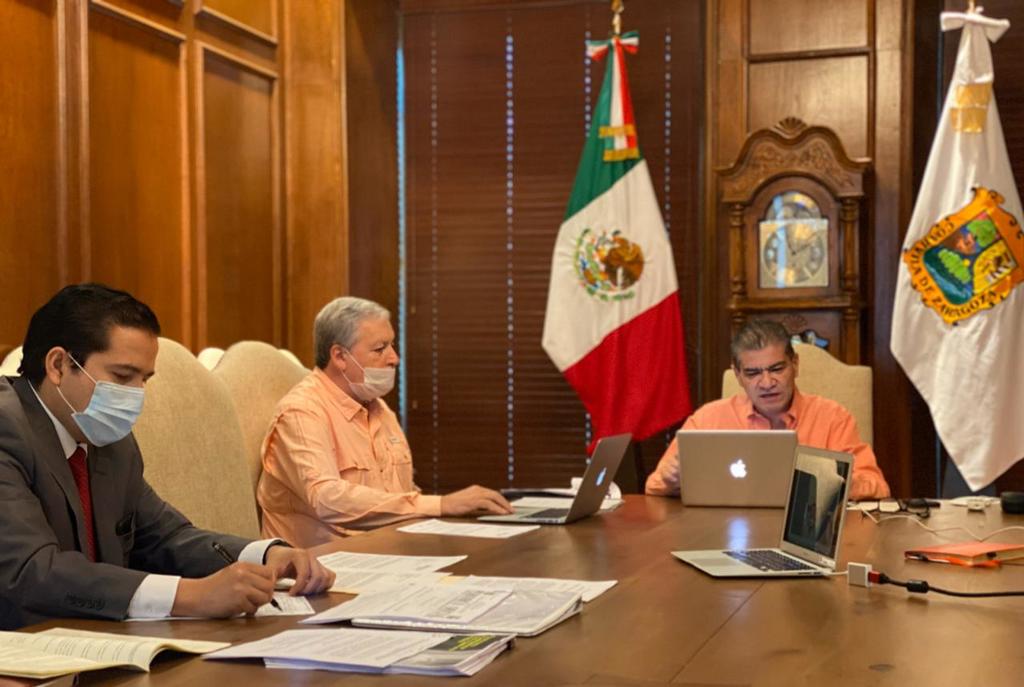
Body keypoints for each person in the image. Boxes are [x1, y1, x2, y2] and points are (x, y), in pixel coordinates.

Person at [0, 284, 335, 630]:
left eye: (144, 379)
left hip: (100, 637)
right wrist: (191, 596)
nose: (137, 395)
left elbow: (164, 537)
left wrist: (266, 555)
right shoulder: (6, 427)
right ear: (58, 365)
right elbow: (31, 571)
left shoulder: (110, 440)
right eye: (122, 376)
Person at [257, 296, 513, 547]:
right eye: (380, 349)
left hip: (390, 552)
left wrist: (451, 517)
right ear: (340, 356)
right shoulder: (301, 412)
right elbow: (326, 499)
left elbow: (399, 497)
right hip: (323, 564)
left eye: (392, 346)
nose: (394, 358)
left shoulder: (379, 409)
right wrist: (440, 505)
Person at [645, 319, 890, 501]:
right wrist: (670, 479)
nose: (766, 383)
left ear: (795, 365)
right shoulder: (707, 420)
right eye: (753, 373)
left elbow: (877, 485)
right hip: (725, 535)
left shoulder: (833, 418)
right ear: (738, 375)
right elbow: (654, 485)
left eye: (776, 369)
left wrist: (839, 484)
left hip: (803, 536)